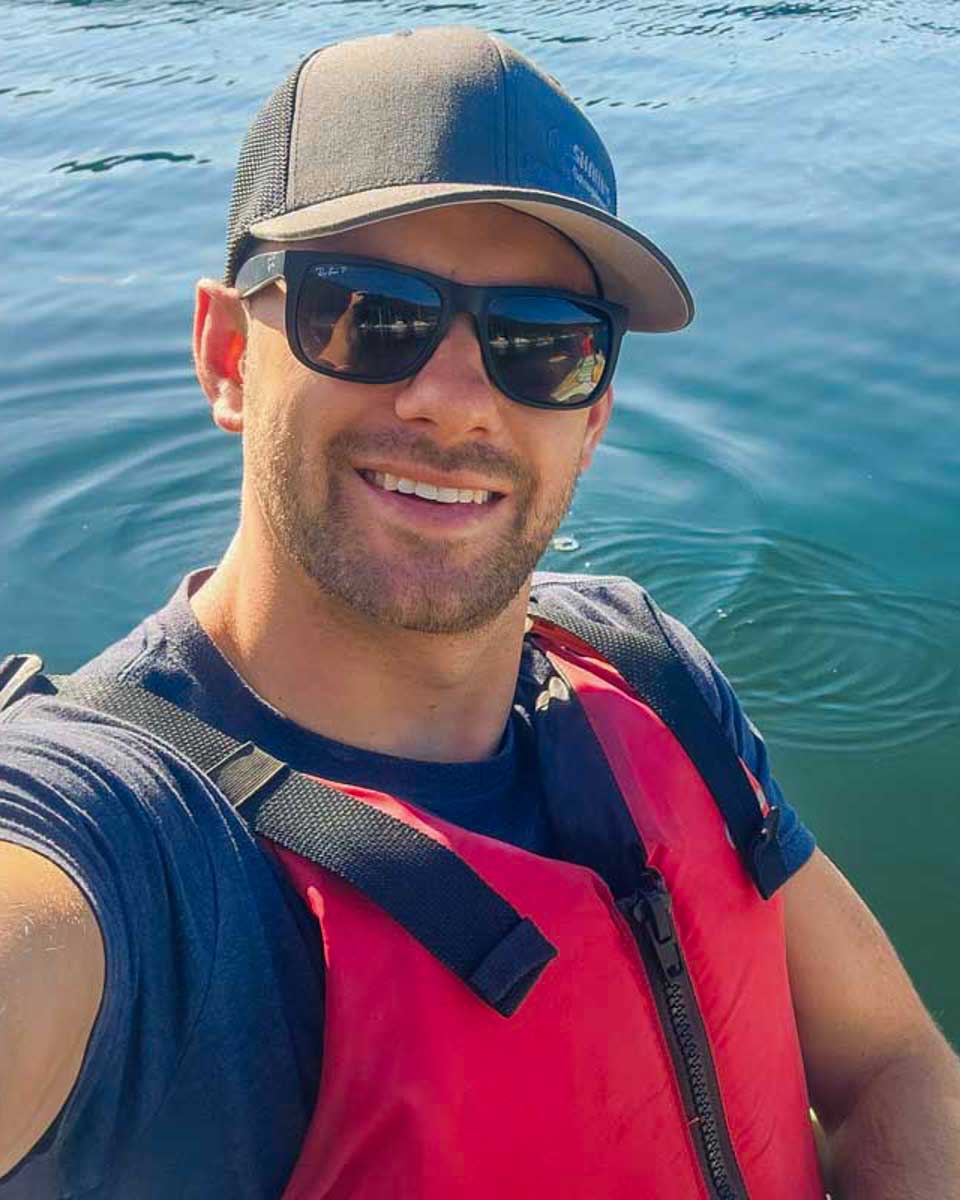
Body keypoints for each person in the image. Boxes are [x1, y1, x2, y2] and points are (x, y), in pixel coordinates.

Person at [1, 25, 958, 1200]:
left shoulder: (645, 665)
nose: (455, 402)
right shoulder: (124, 841)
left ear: (592, 419)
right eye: (369, 312)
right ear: (227, 357)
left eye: (539, 343)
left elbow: (892, 1061)